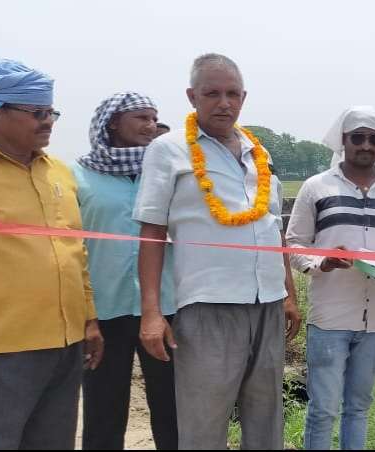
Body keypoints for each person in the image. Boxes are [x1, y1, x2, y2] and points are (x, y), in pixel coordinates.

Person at [134, 53, 301, 450]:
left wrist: (289, 294)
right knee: (204, 423)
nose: (223, 103)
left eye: (232, 94)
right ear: (192, 96)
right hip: (208, 306)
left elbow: (271, 227)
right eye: (212, 93)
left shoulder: (258, 152)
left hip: (268, 303)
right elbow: (152, 233)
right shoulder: (168, 149)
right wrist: (152, 313)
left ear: (243, 97)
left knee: (266, 419)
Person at [0, 58, 104, 449]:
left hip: (64, 343)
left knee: (53, 441)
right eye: (36, 112)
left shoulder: (59, 173)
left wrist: (90, 319)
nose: (48, 121)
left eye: (51, 112)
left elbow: (75, 251)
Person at [286, 105, 375, 450]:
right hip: (329, 317)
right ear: (342, 141)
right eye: (357, 138)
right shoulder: (317, 187)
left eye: (374, 139)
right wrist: (321, 261)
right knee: (323, 410)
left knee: (359, 408)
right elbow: (294, 242)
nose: (366, 145)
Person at [72, 92, 178, 450]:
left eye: (154, 118)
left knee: (173, 406)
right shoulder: (79, 176)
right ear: (112, 122)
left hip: (165, 307)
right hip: (104, 311)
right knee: (103, 409)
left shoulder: (166, 172)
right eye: (141, 118)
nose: (150, 126)